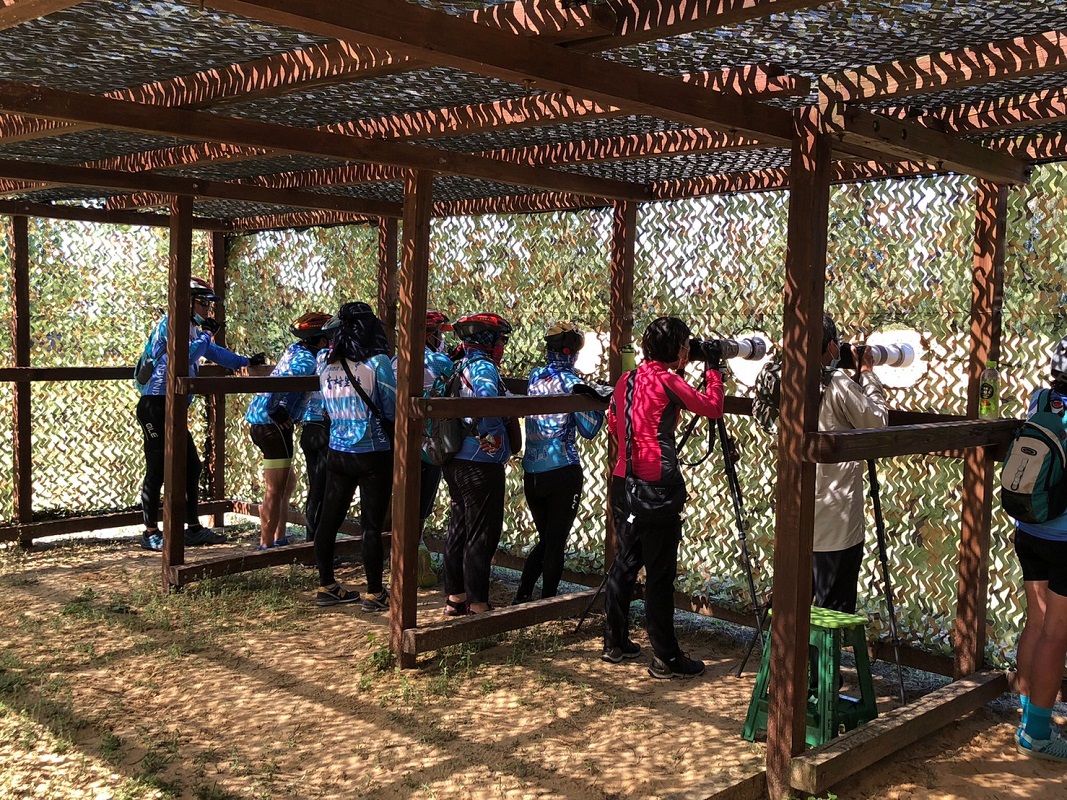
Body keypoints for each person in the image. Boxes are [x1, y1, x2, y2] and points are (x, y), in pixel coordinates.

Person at [602, 317, 723, 679]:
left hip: (624, 481)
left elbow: (612, 420)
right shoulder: (668, 379)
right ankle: (666, 657)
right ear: (675, 350)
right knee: (659, 574)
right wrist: (714, 370)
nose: (689, 350)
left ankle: (615, 642)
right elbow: (712, 407)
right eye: (686, 344)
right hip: (656, 489)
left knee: (625, 562)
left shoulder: (628, 378)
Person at [135, 277, 263, 552]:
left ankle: (192, 528)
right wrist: (207, 336)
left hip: (173, 406)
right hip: (154, 405)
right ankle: (149, 532)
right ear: (188, 302)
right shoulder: (171, 324)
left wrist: (245, 361)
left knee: (191, 466)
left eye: (209, 304)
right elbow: (180, 357)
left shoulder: (192, 327)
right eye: (203, 303)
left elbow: (211, 352)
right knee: (157, 468)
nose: (208, 309)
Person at [312, 302, 396, 610]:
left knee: (329, 519)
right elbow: (391, 407)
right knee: (371, 525)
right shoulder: (378, 363)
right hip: (373, 453)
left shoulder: (325, 362)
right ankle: (374, 593)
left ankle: (326, 585)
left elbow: (323, 407)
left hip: (337, 451)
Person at [513, 322, 604, 604]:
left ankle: (522, 595)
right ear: (572, 352)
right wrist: (597, 399)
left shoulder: (535, 376)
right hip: (563, 469)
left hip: (532, 471)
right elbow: (589, 430)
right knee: (556, 541)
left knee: (546, 538)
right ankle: (546, 603)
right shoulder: (573, 383)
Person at [1014, 335, 1067, 761]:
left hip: (1029, 527)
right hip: (1065, 538)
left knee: (1037, 619)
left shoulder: (1039, 399)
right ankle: (1038, 733)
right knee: (1057, 632)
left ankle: (1028, 712)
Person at [812, 314, 888, 614]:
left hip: (798, 515)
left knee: (802, 604)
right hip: (836, 520)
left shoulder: (785, 378)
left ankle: (798, 660)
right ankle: (822, 662)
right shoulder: (838, 383)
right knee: (831, 612)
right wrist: (867, 373)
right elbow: (877, 423)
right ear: (832, 347)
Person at [442, 312, 514, 616]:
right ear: (488, 341)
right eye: (500, 340)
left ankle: (455, 597)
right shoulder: (483, 368)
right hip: (480, 461)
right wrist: (497, 440)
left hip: (455, 459)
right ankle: (479, 603)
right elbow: (488, 402)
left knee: (459, 527)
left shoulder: (458, 366)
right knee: (482, 533)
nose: (502, 346)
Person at [244, 312, 332, 550]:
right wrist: (275, 410)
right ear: (320, 340)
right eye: (329, 337)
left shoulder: (296, 350)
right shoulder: (306, 361)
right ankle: (266, 545)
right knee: (275, 489)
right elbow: (280, 382)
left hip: (264, 423)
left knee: (287, 483)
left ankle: (280, 537)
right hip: (271, 426)